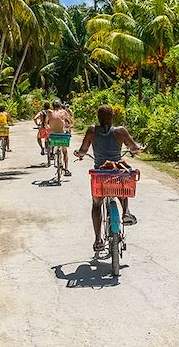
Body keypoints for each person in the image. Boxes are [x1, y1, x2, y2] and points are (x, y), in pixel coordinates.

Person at [74, 104, 143, 251]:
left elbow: (83, 150)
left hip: (100, 173)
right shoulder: (120, 131)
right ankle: (125, 212)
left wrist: (78, 154)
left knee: (96, 205)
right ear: (112, 117)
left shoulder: (91, 131)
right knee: (123, 187)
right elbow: (133, 147)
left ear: (98, 118)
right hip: (116, 171)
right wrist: (136, 150)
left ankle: (98, 239)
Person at [47, 99, 73, 176]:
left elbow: (46, 123)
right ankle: (66, 169)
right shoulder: (64, 112)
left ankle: (52, 152)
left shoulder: (49, 112)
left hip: (53, 136)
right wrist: (68, 126)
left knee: (51, 142)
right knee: (65, 151)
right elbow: (71, 122)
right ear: (60, 106)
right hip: (62, 135)